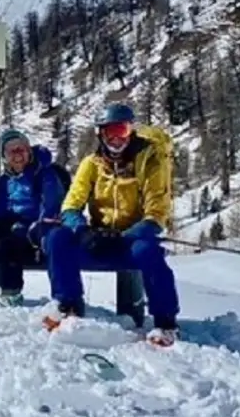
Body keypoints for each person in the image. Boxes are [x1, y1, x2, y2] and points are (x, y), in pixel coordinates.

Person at [43, 103, 180, 346]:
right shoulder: (92, 164)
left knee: (148, 251)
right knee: (57, 238)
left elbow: (157, 214)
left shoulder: (149, 162)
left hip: (131, 241)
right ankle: (68, 305)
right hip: (98, 239)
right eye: (110, 132)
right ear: (101, 134)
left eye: (123, 130)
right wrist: (83, 230)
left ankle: (166, 322)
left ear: (131, 131)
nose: (117, 139)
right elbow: (71, 205)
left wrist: (125, 236)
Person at [0, 129, 70, 306]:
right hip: (17, 228)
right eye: (11, 151)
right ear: (5, 156)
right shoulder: (5, 180)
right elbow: (2, 207)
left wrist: (29, 226)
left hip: (39, 232)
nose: (17, 155)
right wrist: (0, 223)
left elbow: (50, 205)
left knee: (7, 245)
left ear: (29, 150)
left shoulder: (43, 174)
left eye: (21, 149)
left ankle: (11, 293)